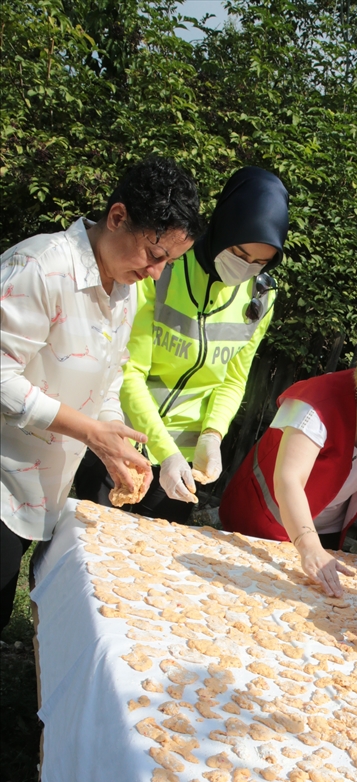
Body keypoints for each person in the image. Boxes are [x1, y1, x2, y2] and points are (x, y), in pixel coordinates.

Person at [0, 156, 202, 632]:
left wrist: (115, 441)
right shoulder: (40, 266)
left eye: (169, 263)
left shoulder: (123, 288)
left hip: (37, 488)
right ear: (117, 217)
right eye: (155, 255)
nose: (157, 273)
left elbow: (109, 380)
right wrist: (91, 430)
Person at [75, 167, 290, 522]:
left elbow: (233, 379)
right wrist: (164, 450)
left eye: (260, 262)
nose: (245, 268)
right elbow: (128, 370)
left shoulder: (261, 296)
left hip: (180, 467)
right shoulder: (161, 268)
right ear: (222, 227)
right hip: (122, 443)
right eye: (239, 252)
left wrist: (212, 433)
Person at [220, 320, 357, 596]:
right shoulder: (316, 402)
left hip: (324, 538)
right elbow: (289, 480)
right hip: (260, 526)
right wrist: (308, 546)